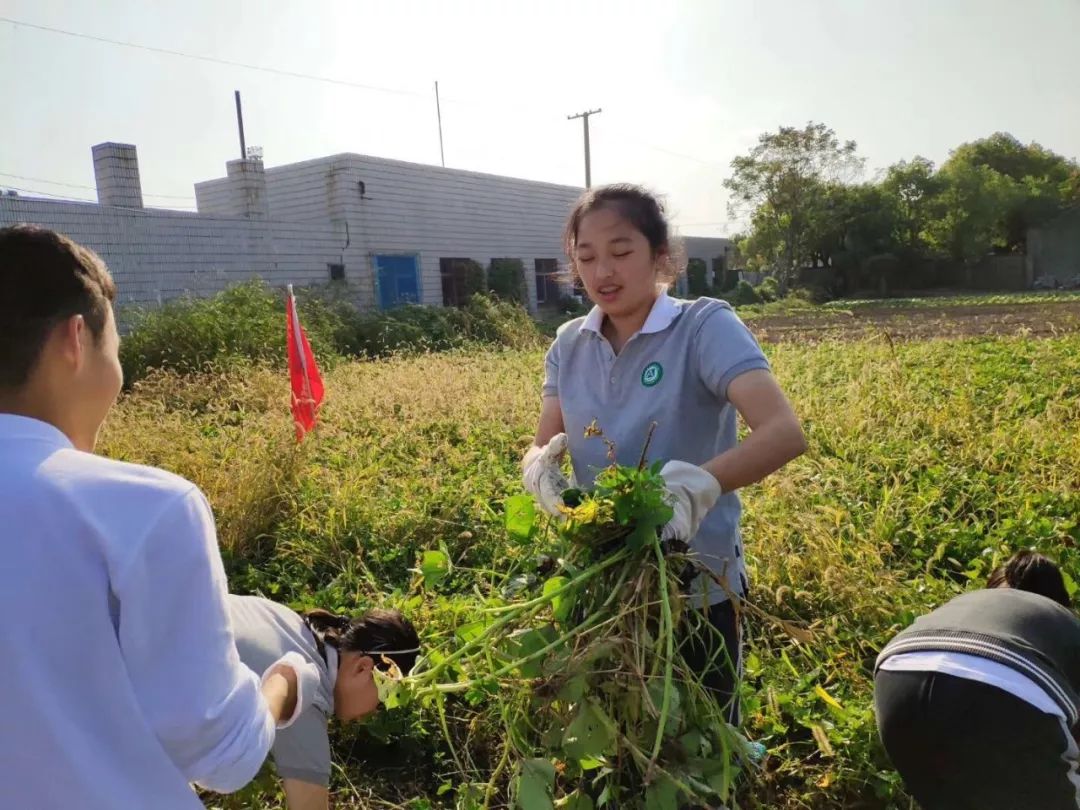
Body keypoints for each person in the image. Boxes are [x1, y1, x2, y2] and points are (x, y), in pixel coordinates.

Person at [0, 224, 321, 809]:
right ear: (76, 340)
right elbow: (222, 754)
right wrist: (288, 680)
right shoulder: (144, 509)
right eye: (115, 350)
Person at [522, 185, 807, 720]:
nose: (603, 271)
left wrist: (696, 487)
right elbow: (545, 439)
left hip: (698, 581)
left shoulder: (703, 327)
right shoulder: (567, 343)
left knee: (706, 733)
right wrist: (537, 468)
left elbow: (782, 432)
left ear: (660, 255)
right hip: (602, 583)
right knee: (622, 734)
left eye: (621, 251)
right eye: (586, 257)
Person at [875, 550, 1080, 809]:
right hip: (1003, 687)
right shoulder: (1066, 625)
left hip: (897, 675)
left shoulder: (969, 603)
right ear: (1059, 600)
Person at [229, 596, 421, 810]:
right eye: (384, 699)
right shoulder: (308, 696)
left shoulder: (288, 622)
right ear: (363, 668)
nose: (374, 714)